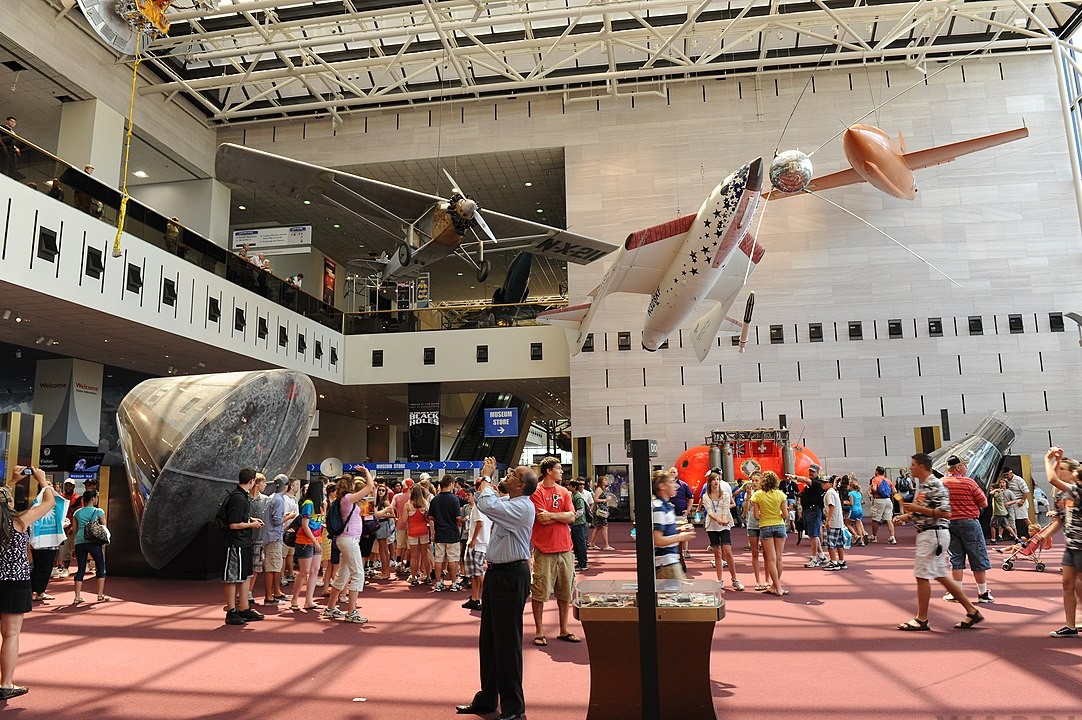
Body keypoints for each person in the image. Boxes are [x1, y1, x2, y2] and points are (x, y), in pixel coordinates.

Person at [456, 458, 536, 720]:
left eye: (514, 474)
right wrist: (486, 481)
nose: (509, 475)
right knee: (489, 640)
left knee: (507, 642)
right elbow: (484, 502)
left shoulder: (522, 507)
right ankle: (488, 698)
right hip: (499, 575)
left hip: (511, 576)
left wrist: (487, 476)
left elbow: (487, 502)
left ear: (521, 485)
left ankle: (514, 708)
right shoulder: (511, 503)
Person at [895, 453, 983, 631]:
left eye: (913, 465)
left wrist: (916, 508)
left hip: (932, 534)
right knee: (940, 575)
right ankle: (972, 611)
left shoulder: (935, 484)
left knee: (922, 575)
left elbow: (945, 512)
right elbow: (924, 511)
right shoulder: (925, 486)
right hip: (931, 534)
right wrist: (906, 516)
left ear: (921, 466)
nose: (910, 468)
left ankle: (922, 618)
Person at [0, 466, 55, 700]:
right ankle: (5, 684)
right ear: (10, 502)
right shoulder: (20, 521)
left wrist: (11, 481)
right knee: (10, 634)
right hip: (15, 581)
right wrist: (43, 482)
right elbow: (49, 504)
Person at [529, 457, 578, 645]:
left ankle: (564, 629)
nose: (562, 471)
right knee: (540, 592)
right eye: (559, 468)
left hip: (565, 549)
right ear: (548, 471)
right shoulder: (537, 492)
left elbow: (572, 516)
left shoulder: (564, 491)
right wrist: (561, 517)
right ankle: (539, 631)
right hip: (544, 549)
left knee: (565, 592)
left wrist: (554, 516)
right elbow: (542, 519)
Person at [941, 455, 994, 604]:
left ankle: (956, 593)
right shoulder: (969, 482)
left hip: (949, 524)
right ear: (958, 468)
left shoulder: (940, 483)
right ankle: (983, 594)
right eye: (964, 465)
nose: (967, 468)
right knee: (977, 556)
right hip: (970, 523)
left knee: (955, 558)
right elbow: (983, 503)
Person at [324, 468, 375, 623]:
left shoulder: (342, 500)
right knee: (358, 574)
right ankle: (351, 611)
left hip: (345, 539)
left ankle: (331, 607)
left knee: (343, 575)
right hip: (349, 540)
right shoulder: (348, 499)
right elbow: (369, 487)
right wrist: (366, 472)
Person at [1043, 447, 1082, 638]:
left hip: (1081, 546)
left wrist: (1047, 459)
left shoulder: (1077, 491)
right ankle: (1070, 625)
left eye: (1066, 469)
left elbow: (1051, 477)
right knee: (1067, 583)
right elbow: (1059, 519)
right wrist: (1043, 536)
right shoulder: (1063, 495)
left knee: (1081, 585)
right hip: (1071, 545)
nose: (1060, 472)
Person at [222, 469, 264, 625]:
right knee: (232, 577)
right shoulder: (238, 498)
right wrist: (252, 524)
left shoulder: (242, 497)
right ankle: (232, 610)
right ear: (252, 481)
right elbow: (233, 524)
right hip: (236, 543)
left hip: (243, 542)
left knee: (245, 576)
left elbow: (239, 518)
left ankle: (244, 608)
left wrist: (251, 520)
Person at [700, 472, 743, 589]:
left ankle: (735, 579)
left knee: (728, 552)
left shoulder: (725, 495)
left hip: (725, 525)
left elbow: (725, 509)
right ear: (709, 482)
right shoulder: (705, 497)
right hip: (712, 526)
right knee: (717, 553)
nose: (716, 481)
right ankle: (719, 580)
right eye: (714, 480)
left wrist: (723, 520)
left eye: (718, 479)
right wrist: (718, 520)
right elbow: (709, 512)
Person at [651, 469, 695, 580]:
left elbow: (665, 531)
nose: (676, 486)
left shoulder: (667, 506)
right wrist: (680, 537)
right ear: (662, 486)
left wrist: (679, 529)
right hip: (666, 564)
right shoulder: (659, 508)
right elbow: (658, 540)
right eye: (671, 482)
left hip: (671, 562)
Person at [29, 481, 67, 602]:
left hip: (41, 542)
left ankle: (33, 591)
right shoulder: (42, 505)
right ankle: (39, 592)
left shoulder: (37, 504)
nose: (52, 487)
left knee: (38, 566)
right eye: (49, 485)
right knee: (44, 567)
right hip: (47, 542)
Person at [751, 471, 789, 596]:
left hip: (765, 526)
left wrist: (765, 514)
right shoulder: (781, 495)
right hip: (779, 525)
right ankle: (776, 586)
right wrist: (776, 514)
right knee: (779, 558)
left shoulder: (757, 495)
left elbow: (756, 516)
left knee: (771, 559)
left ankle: (776, 587)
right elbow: (785, 515)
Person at [71, 489, 110, 605]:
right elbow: (104, 527)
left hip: (79, 541)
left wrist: (73, 546)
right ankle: (100, 594)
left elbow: (74, 530)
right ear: (93, 499)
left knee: (81, 569)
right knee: (100, 566)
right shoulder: (99, 511)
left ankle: (77, 596)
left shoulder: (77, 513)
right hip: (94, 542)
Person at [290, 480, 323, 611]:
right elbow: (305, 524)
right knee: (304, 571)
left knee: (315, 570)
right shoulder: (308, 504)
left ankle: (309, 600)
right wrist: (315, 541)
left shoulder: (319, 504)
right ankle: (294, 598)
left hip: (317, 539)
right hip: (305, 541)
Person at [429, 475, 465, 592]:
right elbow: (458, 517)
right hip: (452, 533)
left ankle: (438, 583)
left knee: (438, 560)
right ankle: (454, 583)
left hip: (440, 533)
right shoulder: (454, 499)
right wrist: (462, 520)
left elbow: (430, 517)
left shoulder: (435, 499)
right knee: (452, 560)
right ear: (451, 484)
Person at [260, 475, 287, 605]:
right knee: (272, 566)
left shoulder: (271, 497)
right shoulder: (278, 500)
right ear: (286, 486)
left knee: (275, 565)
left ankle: (275, 592)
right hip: (274, 536)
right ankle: (269, 597)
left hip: (270, 536)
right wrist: (287, 518)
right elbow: (277, 520)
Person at [795, 464, 826, 566]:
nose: (811, 473)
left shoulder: (817, 483)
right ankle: (821, 555)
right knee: (813, 535)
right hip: (808, 511)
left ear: (817, 473)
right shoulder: (809, 486)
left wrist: (794, 477)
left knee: (813, 535)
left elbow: (806, 480)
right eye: (810, 471)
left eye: (813, 471)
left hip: (814, 511)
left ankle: (814, 558)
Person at [820, 475, 847, 570]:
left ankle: (833, 562)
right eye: (822, 482)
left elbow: (831, 506)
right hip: (838, 521)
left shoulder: (829, 493)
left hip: (833, 521)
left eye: (825, 482)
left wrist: (828, 520)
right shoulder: (834, 492)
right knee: (839, 543)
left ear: (830, 484)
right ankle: (841, 560)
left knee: (830, 543)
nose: (822, 484)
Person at [868, 466, 897, 544]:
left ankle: (874, 536)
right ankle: (892, 537)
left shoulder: (875, 479)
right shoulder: (888, 480)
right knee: (889, 519)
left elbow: (874, 489)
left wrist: (873, 489)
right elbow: (894, 491)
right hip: (888, 500)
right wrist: (888, 493)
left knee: (875, 519)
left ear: (877, 472)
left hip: (879, 500)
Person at [1003, 468, 1032, 541]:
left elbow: (1026, 492)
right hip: (1011, 502)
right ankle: (1014, 535)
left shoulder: (1019, 480)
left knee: (1024, 518)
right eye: (1005, 475)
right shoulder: (1005, 481)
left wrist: (1022, 501)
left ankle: (1034, 532)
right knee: (1012, 519)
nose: (1006, 476)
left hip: (1019, 500)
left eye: (1007, 474)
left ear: (1011, 473)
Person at [989, 477, 1019, 544]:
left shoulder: (999, 493)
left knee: (1010, 523)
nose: (1002, 484)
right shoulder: (1001, 492)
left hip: (1001, 511)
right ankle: (1015, 537)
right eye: (1000, 483)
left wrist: (996, 489)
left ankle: (993, 539)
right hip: (1003, 511)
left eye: (1003, 482)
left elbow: (991, 493)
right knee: (1005, 525)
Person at [588, 475, 614, 551]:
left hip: (602, 510)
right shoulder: (599, 489)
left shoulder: (603, 489)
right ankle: (606, 545)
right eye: (604, 480)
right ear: (601, 481)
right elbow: (595, 499)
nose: (606, 481)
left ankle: (592, 543)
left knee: (598, 527)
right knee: (604, 527)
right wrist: (605, 500)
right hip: (600, 511)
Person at [568, 479, 589, 571]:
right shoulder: (574, 496)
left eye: (569, 486)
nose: (568, 487)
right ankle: (581, 561)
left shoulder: (577, 497)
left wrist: (571, 517)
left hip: (579, 523)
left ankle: (583, 563)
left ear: (574, 487)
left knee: (580, 543)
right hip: (577, 523)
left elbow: (580, 511)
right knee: (577, 543)